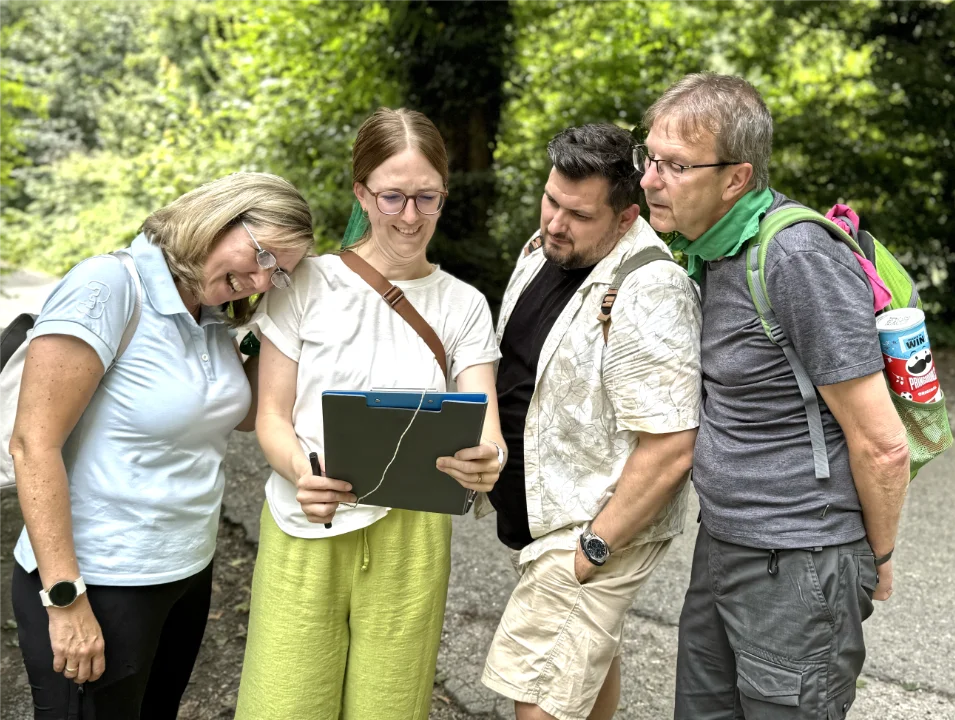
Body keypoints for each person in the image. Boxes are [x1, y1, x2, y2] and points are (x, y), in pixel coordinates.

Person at [636, 74, 911, 720]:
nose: (649, 179)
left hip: (800, 562)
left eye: (675, 165)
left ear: (736, 178)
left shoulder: (794, 258)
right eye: (648, 158)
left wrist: (879, 560)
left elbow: (882, 444)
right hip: (725, 547)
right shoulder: (707, 249)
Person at [9, 172, 314, 718]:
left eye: (281, 274)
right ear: (218, 216)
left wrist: (276, 332)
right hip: (100, 580)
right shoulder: (108, 286)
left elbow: (240, 414)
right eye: (264, 255)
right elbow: (33, 444)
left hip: (184, 571)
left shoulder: (211, 310)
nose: (265, 280)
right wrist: (65, 597)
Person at [235, 107, 505, 720]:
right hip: (309, 521)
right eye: (391, 197)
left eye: (426, 198)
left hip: (412, 537)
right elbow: (272, 417)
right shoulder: (305, 284)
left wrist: (489, 460)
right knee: (284, 703)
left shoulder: (463, 304)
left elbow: (484, 419)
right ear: (361, 192)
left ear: (444, 195)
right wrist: (303, 471)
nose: (409, 217)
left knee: (388, 707)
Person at [480, 123, 703, 720]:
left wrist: (593, 548)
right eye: (551, 200)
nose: (555, 222)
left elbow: (674, 444)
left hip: (589, 527)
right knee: (581, 665)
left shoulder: (652, 287)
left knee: (539, 700)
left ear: (627, 217)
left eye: (578, 214)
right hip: (541, 518)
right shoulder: (542, 250)